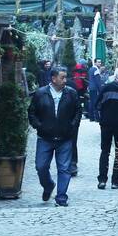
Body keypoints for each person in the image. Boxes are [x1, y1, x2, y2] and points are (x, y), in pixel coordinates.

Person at [27, 67, 82, 206]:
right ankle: (48, 185)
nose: (65, 80)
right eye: (62, 77)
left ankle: (61, 197)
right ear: (53, 79)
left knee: (64, 168)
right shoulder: (41, 93)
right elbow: (32, 112)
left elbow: (78, 111)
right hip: (45, 137)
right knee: (41, 166)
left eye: (65, 77)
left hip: (65, 137)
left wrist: (72, 125)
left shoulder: (71, 93)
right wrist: (39, 126)